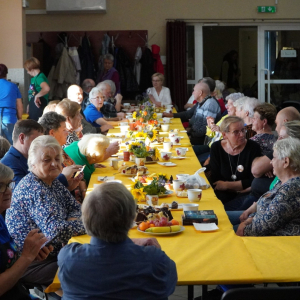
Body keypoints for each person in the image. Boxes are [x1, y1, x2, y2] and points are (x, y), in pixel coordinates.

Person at [58, 182, 177, 299]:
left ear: (85, 220)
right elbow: (169, 286)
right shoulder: (156, 261)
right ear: (132, 219)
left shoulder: (68, 258)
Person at [6, 136, 86, 286]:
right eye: (46, 160)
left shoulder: (52, 181)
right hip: (32, 263)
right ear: (33, 164)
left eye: (57, 158)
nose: (55, 164)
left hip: (56, 251)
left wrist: (69, 222)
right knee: (88, 267)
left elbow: (76, 208)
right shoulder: (35, 189)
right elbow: (56, 231)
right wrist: (88, 226)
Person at [0, 163, 54, 299]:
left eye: (9, 185)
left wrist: (32, 253)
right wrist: (26, 257)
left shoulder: (0, 216)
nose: (8, 191)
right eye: (0, 186)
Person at [231, 137, 300, 236]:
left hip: (271, 240)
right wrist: (249, 219)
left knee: (219, 232)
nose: (271, 162)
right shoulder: (282, 181)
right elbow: (265, 207)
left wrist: (244, 226)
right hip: (255, 222)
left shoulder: (292, 189)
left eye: (274, 157)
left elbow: (262, 227)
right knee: (219, 219)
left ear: (286, 162)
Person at [209, 116, 261, 210]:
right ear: (225, 135)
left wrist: (226, 185)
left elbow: (253, 181)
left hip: (245, 195)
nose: (241, 135)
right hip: (222, 194)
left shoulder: (253, 148)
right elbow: (216, 180)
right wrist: (238, 186)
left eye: (243, 130)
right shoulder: (216, 148)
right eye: (236, 132)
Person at [39, 111, 87, 202]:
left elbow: (77, 179)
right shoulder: (44, 158)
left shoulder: (60, 150)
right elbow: (48, 192)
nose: (67, 133)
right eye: (64, 129)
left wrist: (83, 191)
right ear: (52, 133)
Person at [193, 92, 244, 164]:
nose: (227, 107)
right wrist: (211, 125)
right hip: (211, 146)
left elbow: (233, 142)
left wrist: (220, 131)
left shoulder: (238, 123)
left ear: (238, 106)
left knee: (195, 161)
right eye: (227, 104)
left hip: (219, 150)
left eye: (230, 104)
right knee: (190, 151)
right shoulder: (225, 117)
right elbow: (211, 134)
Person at [251, 106, 300, 178]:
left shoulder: (289, 145)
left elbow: (256, 169)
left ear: (285, 122)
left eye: (276, 124)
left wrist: (268, 166)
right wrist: (270, 166)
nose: (276, 129)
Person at [0, 119, 44, 186]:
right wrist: (63, 177)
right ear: (22, 138)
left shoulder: (28, 158)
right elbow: (24, 191)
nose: (41, 145)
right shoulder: (9, 163)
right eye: (37, 141)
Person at [0, 64, 23, 144]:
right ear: (6, 74)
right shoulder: (13, 86)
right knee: (13, 146)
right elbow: (19, 106)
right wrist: (20, 119)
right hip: (9, 120)